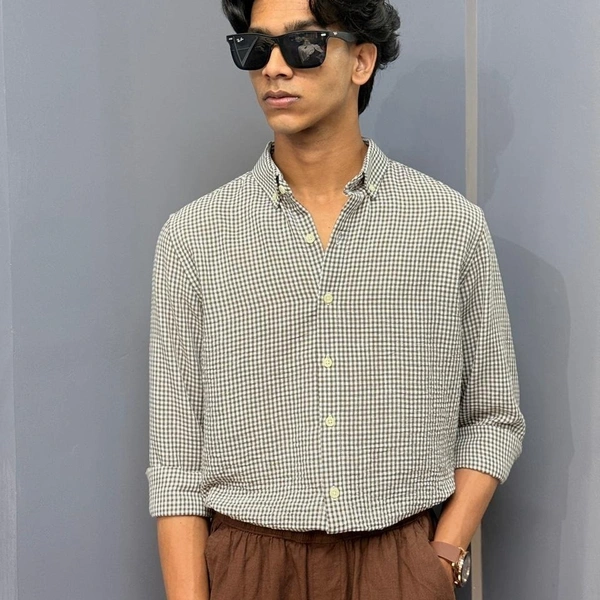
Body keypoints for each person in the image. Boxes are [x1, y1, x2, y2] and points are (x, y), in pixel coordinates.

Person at [146, 0, 526, 598]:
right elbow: (176, 457)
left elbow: (494, 416)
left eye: (304, 44)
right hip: (248, 567)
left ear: (361, 61)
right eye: (255, 47)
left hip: (398, 564)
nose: (274, 67)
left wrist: (441, 556)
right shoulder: (194, 237)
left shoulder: (450, 227)